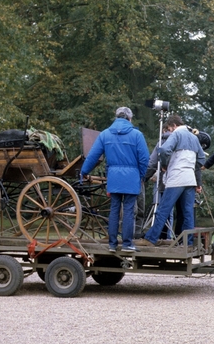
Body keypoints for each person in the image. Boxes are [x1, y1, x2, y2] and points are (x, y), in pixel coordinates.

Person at [81, 107, 149, 253]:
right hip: (132, 178)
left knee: (114, 209)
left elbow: (93, 155)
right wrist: (141, 176)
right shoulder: (137, 135)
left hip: (114, 177)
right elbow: (144, 159)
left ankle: (112, 244)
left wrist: (84, 171)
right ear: (129, 119)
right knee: (129, 210)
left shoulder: (105, 134)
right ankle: (126, 244)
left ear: (116, 117)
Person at [138, 115, 205, 248]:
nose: (169, 131)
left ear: (173, 126)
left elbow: (163, 150)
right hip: (190, 180)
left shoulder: (177, 134)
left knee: (163, 209)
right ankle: (189, 242)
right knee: (188, 213)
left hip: (176, 178)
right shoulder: (194, 137)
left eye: (169, 129)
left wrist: (164, 165)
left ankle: (151, 238)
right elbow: (201, 159)